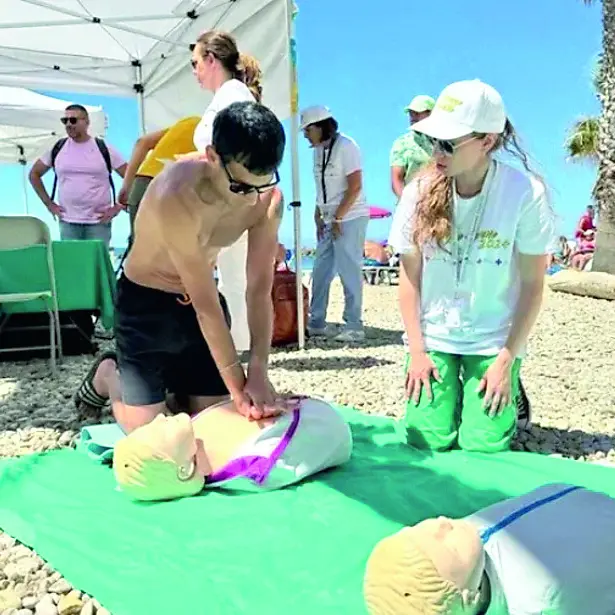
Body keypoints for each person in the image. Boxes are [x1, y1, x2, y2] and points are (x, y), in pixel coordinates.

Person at [73, 101, 286, 434]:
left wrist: (258, 369)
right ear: (213, 156)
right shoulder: (178, 192)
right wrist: (239, 389)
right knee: (150, 434)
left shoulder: (267, 199)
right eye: (242, 187)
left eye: (263, 183)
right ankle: (108, 376)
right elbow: (207, 309)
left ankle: (169, 386)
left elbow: (258, 287)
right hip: (145, 303)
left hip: (196, 304)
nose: (251, 198)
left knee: (213, 422)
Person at [387, 79, 555, 454]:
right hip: (434, 338)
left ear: (487, 141)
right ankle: (454, 397)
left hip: (493, 342)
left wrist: (507, 358)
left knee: (482, 445)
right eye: (433, 141)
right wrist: (417, 351)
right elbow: (410, 277)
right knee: (426, 440)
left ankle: (509, 396)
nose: (437, 151)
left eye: (448, 143)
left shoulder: (525, 193)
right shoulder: (417, 192)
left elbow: (532, 284)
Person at [363, 483, 615, 615]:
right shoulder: (536, 601)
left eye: (420, 528)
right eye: (448, 548)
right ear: (467, 597)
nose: (441, 522)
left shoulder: (467, 533)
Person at [114, 395, 353, 500]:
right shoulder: (255, 467)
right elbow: (320, 431)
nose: (159, 420)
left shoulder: (193, 431)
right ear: (182, 470)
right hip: (324, 423)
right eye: (158, 433)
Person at [189, 31, 265, 353]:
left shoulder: (234, 93)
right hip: (224, 197)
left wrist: (193, 159)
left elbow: (238, 148)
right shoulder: (228, 95)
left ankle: (239, 351)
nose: (194, 71)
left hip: (230, 198)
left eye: (195, 63)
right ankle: (237, 349)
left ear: (211, 59)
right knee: (229, 278)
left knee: (232, 279)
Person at [301, 105, 369, 343]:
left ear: (320, 126)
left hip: (350, 215)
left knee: (349, 269)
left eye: (307, 130)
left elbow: (355, 185)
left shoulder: (347, 146)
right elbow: (321, 186)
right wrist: (318, 214)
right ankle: (316, 321)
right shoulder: (317, 151)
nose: (305, 135)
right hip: (330, 216)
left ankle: (354, 325)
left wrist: (339, 215)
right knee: (320, 270)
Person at [29, 104, 127, 247]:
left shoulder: (103, 148)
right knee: (72, 265)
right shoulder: (58, 148)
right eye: (65, 121)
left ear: (86, 122)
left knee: (96, 265)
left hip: (98, 223)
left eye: (73, 120)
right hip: (68, 222)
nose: (69, 124)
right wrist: (49, 204)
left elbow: (130, 176)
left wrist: (119, 206)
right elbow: (34, 174)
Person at [117, 116, 201, 241]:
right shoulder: (215, 133)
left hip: (142, 182)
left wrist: (127, 185)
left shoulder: (191, 121)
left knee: (140, 246)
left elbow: (142, 142)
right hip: (171, 187)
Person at [390, 95, 436, 199]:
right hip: (411, 205)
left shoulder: (445, 141)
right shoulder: (402, 143)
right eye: (411, 113)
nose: (412, 116)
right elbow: (396, 179)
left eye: (417, 113)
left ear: (431, 114)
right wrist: (407, 204)